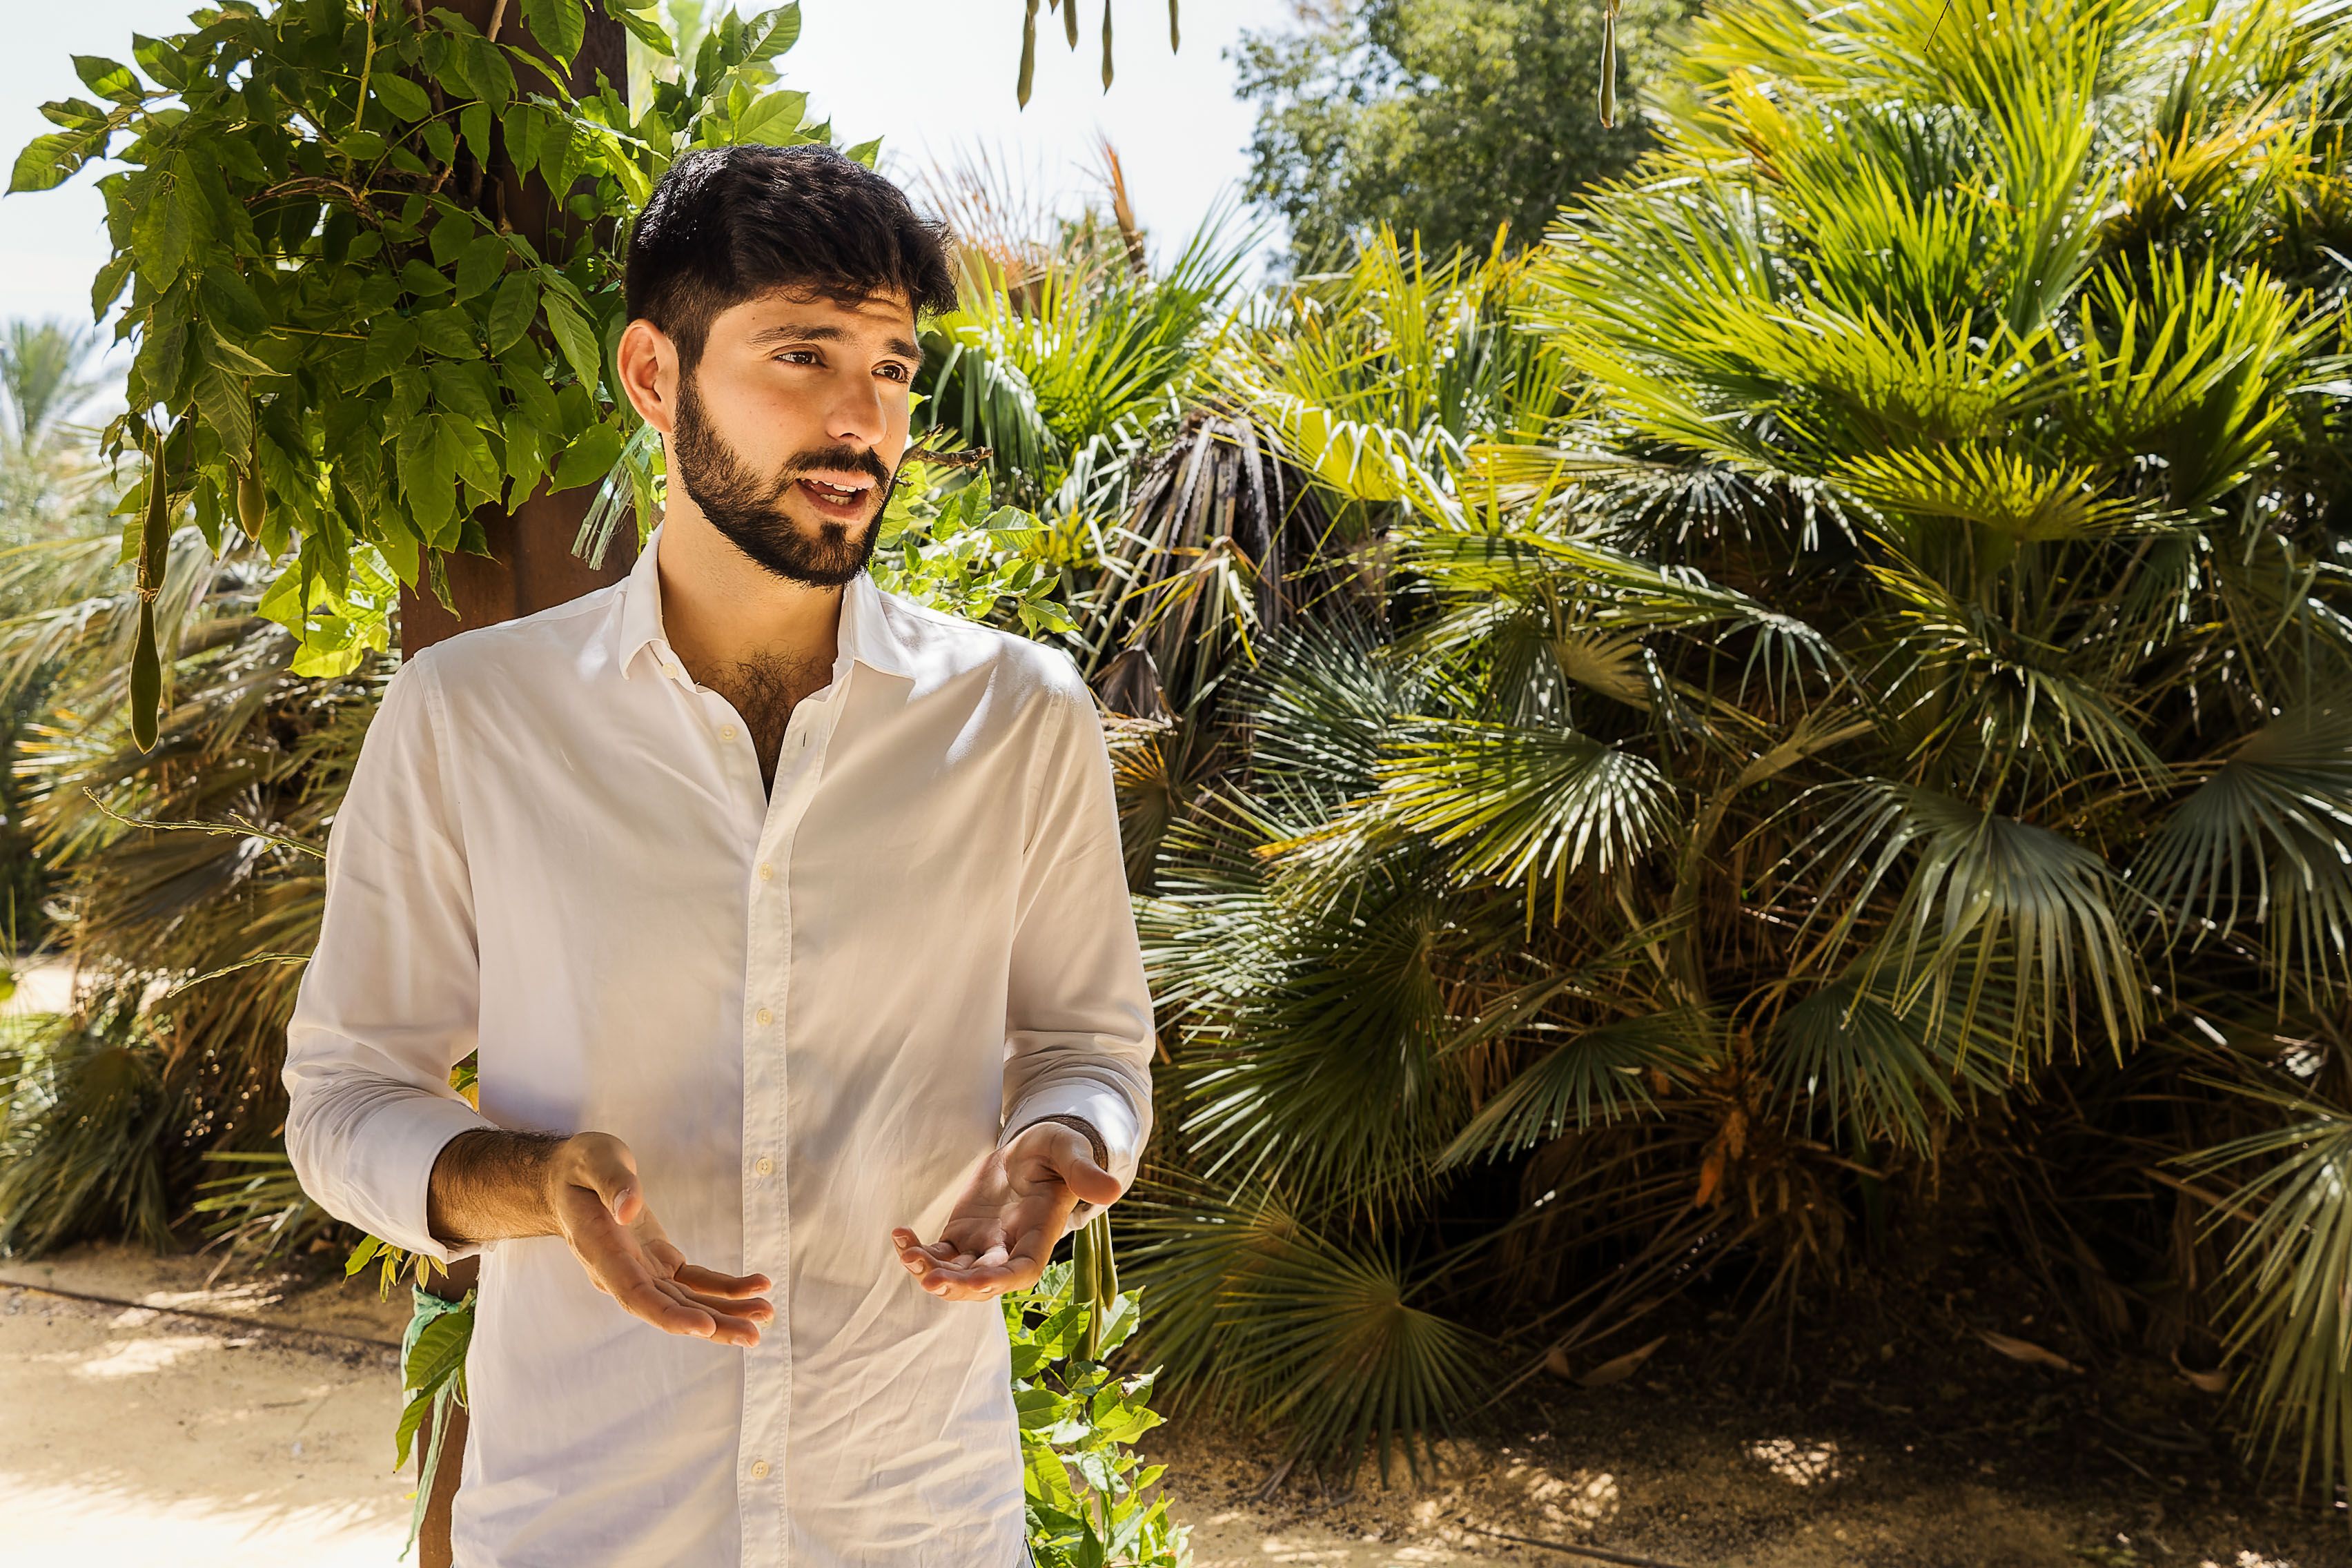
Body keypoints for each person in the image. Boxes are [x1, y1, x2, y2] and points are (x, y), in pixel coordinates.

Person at [282, 143, 1155, 1567]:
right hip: (581, 1522)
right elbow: (344, 1099)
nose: (859, 419)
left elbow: (1089, 1047)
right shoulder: (472, 715)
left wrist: (1068, 1139)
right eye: (802, 354)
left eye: (890, 366)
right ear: (653, 373)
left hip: (910, 1519)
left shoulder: (1019, 716)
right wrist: (529, 1181)